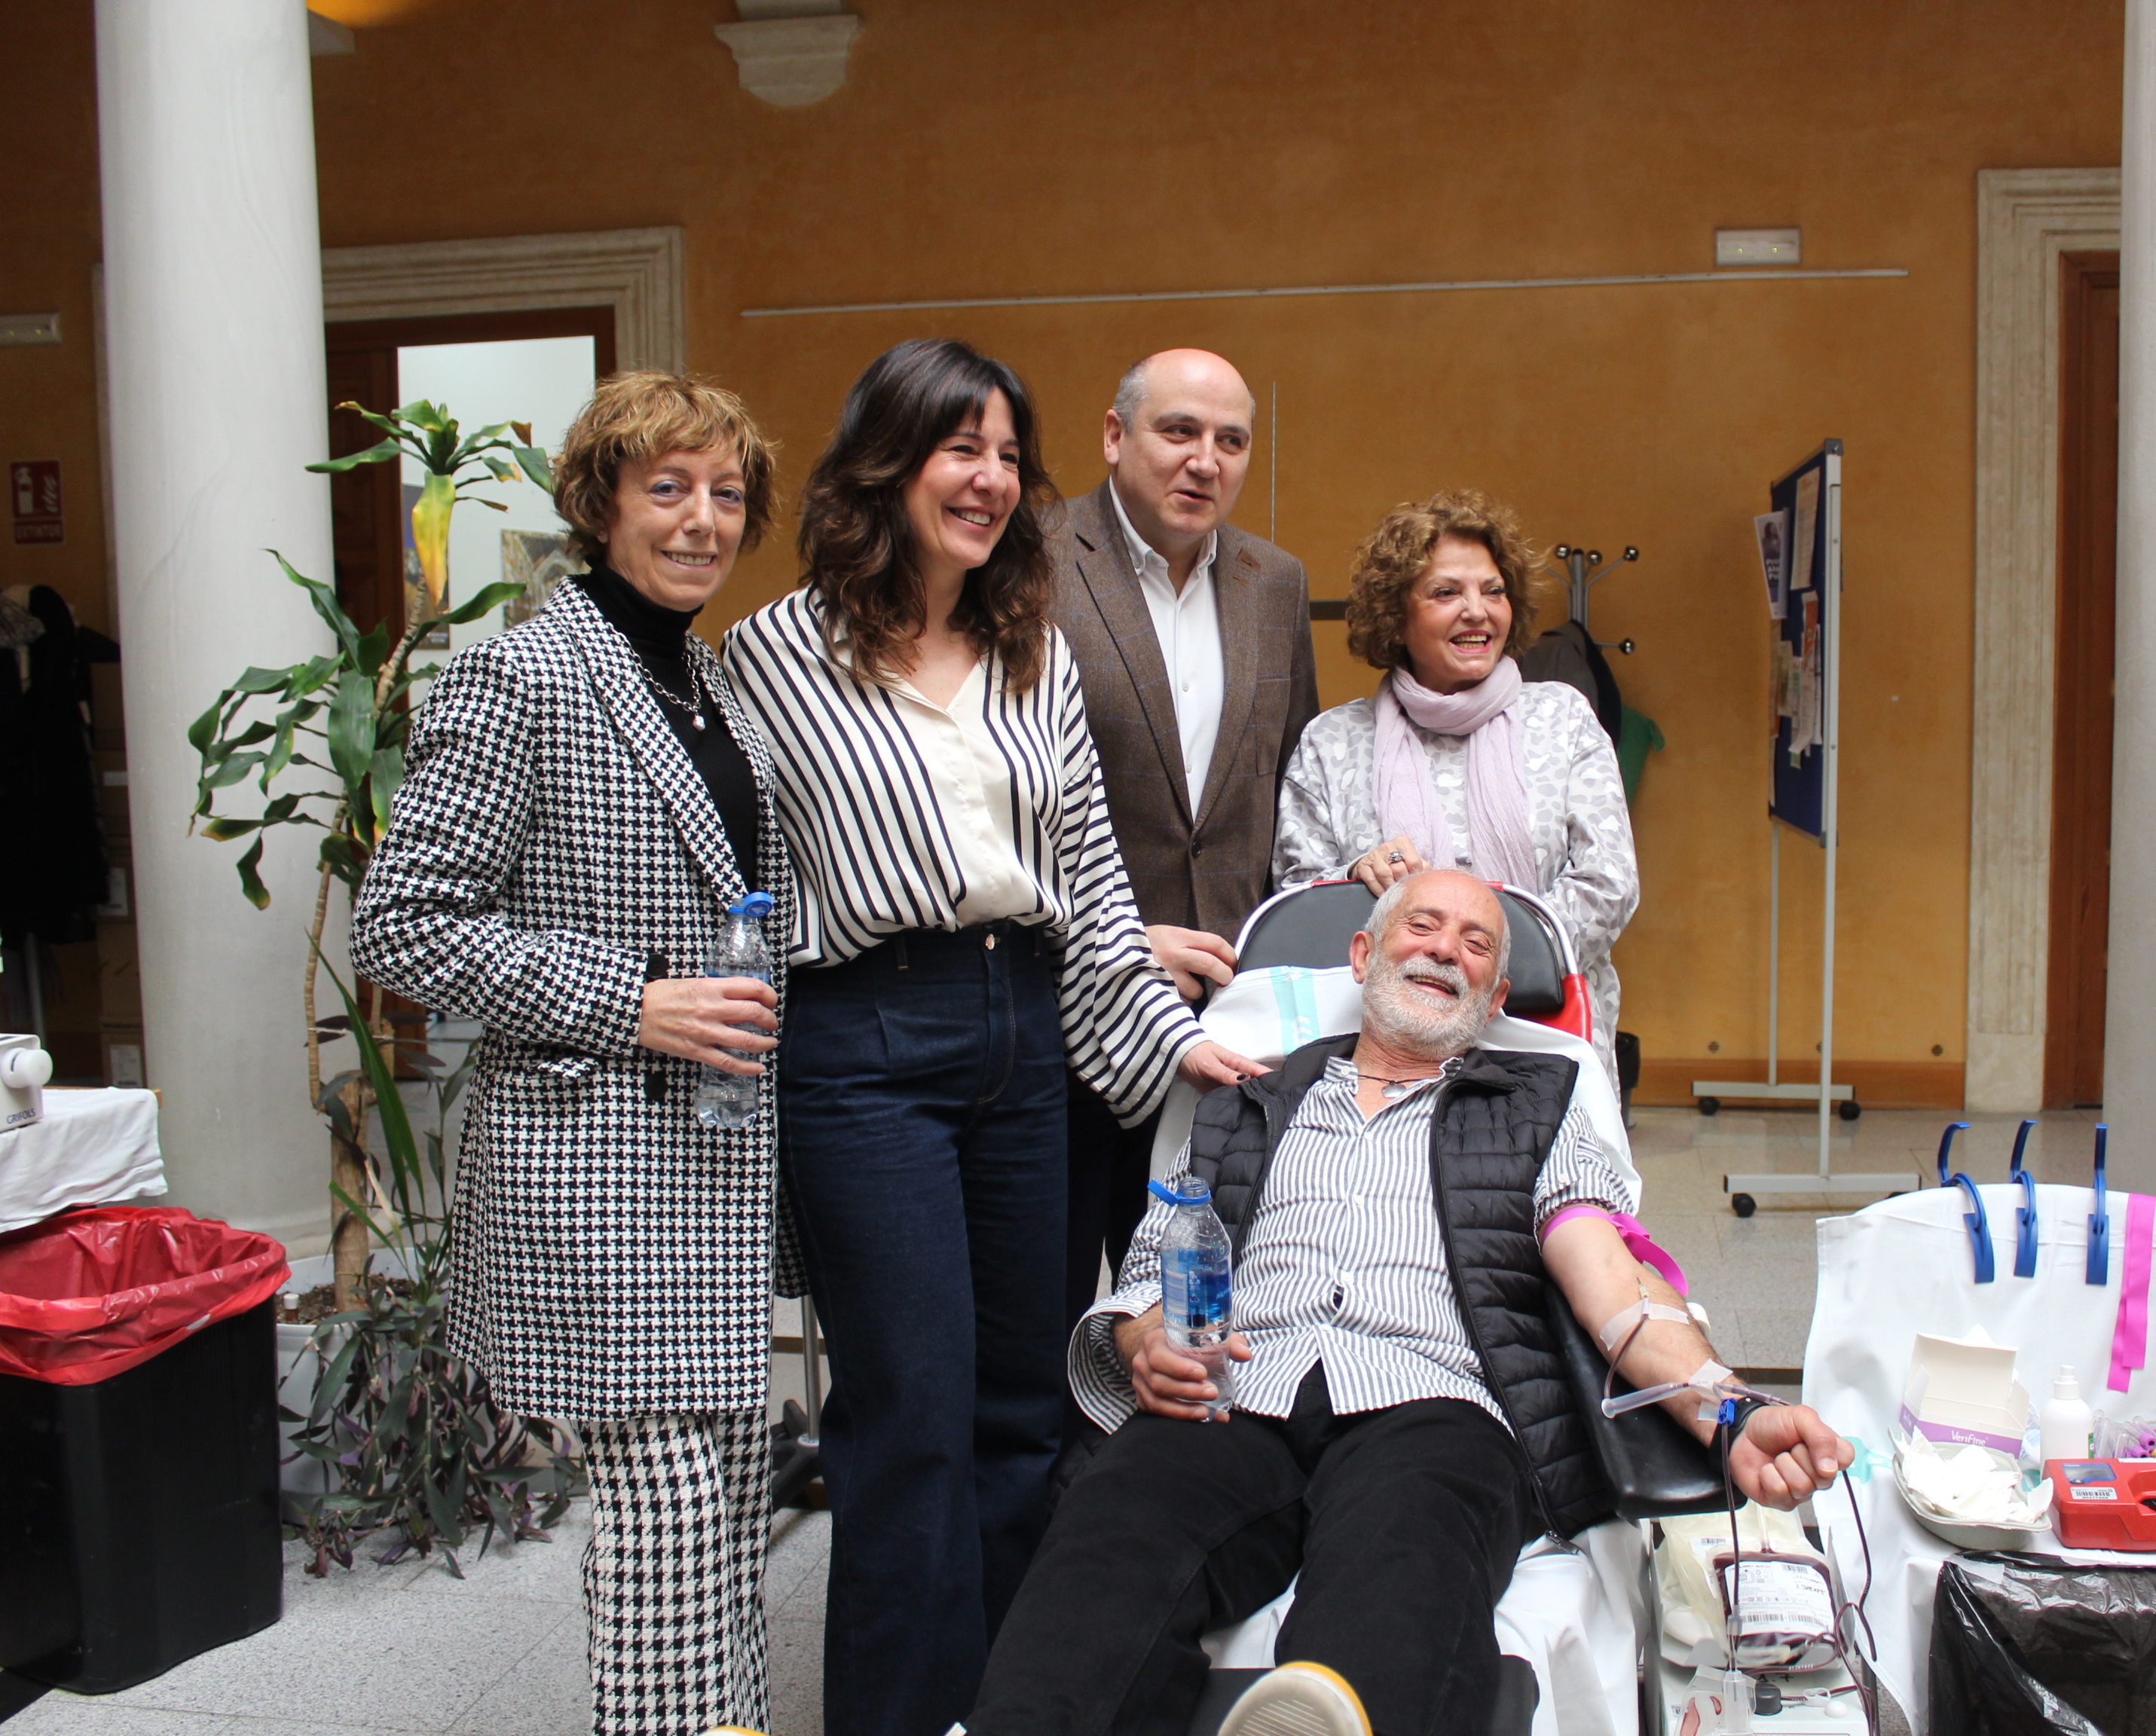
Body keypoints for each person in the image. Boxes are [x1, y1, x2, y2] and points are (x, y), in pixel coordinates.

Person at [969, 870, 1851, 1736]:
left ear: (1496, 996)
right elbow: (1150, 1274)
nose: (1445, 952)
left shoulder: (1537, 1111)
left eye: (1476, 944)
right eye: (1422, 926)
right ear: (1364, 955)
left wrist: (1731, 1411)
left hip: (1434, 1404)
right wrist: (1146, 1340)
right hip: (1234, 1395)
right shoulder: (1243, 1107)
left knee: (1403, 1562)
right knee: (1113, 1535)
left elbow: (1616, 1286)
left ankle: (1325, 1722)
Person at [720, 337, 1265, 1736]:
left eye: (1009, 456)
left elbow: (1089, 885)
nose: (989, 479)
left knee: (1025, 1407)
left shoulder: (1033, 650)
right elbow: (737, 875)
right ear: (887, 461)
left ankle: (1020, 1710)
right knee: (909, 1415)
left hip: (1024, 1034)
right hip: (865, 1041)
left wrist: (1171, 1042)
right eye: (960, 447)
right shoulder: (775, 655)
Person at [349, 372, 786, 1735]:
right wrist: (632, 997)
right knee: (669, 1512)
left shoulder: (710, 681)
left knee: (727, 1500)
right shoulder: (521, 671)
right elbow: (404, 924)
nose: (702, 519)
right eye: (669, 489)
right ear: (600, 505)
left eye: (725, 494)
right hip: (593, 1161)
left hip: (719, 1158)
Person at [1047, 348, 1318, 1387]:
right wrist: (1114, 941)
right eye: (1179, 431)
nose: (1206, 459)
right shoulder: (1031, 561)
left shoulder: (1274, 582)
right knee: (1052, 1289)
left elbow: (1287, 779)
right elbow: (1002, 794)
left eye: (1231, 440)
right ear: (1116, 436)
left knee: (1200, 1292)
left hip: (1225, 1008)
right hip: (1076, 1000)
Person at [1274, 491, 1638, 1083]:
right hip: (1387, 1053)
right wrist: (1356, 875)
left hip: (1547, 1039)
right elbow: (1301, 901)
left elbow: (1609, 885)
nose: (1477, 611)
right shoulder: (1332, 742)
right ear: (1396, 615)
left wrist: (1479, 967)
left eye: (1493, 591)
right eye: (1446, 593)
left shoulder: (1563, 719)